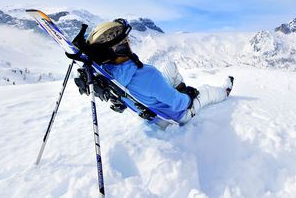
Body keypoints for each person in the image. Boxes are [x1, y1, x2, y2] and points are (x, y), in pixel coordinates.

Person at [85, 19, 234, 125]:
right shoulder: (148, 75)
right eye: (126, 41)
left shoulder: (107, 73)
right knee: (206, 91)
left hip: (151, 101)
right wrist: (188, 95)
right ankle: (224, 91)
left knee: (170, 66)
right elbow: (179, 104)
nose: (129, 42)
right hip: (178, 114)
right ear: (120, 49)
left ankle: (173, 90)